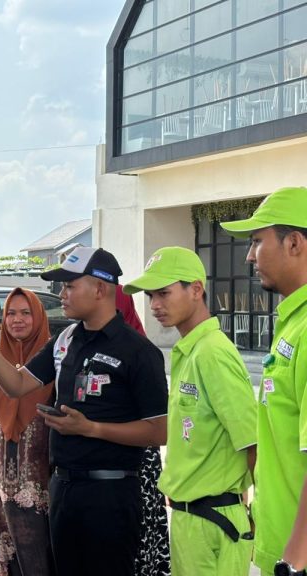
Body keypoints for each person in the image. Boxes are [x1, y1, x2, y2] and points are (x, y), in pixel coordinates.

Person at [0, 246, 168, 576]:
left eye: (69, 286)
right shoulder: (65, 340)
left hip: (111, 494)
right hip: (64, 489)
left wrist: (91, 428)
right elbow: (17, 385)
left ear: (100, 289)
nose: (62, 294)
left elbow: (159, 431)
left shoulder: (138, 351)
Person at [124, 246, 258, 576]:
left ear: (196, 289)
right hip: (192, 520)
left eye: (164, 293)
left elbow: (253, 442)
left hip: (214, 524)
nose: (154, 305)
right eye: (150, 296)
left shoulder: (212, 354)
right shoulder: (191, 350)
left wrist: (259, 512)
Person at [220, 186, 307, 576]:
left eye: (257, 241)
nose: (249, 256)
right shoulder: (293, 321)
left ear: (294, 243)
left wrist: (293, 562)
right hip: (277, 545)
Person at [0, 287, 54, 576]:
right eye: (11, 314)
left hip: (44, 474)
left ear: (38, 316)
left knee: (45, 545)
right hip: (2, 475)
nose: (18, 320)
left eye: (26, 313)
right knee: (7, 543)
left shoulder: (55, 359)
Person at [116, 286, 171, 576]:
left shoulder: (141, 353)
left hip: (140, 463)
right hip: (112, 469)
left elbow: (158, 425)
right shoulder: (82, 346)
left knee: (142, 538)